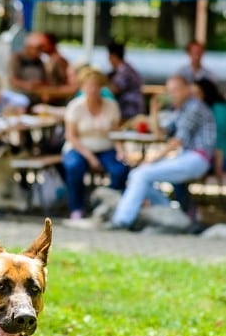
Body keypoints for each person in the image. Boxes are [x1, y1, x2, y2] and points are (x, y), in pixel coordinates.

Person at [110, 73, 216, 230]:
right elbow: (160, 133)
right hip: (186, 156)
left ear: (187, 89)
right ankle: (173, 215)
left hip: (197, 158)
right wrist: (154, 110)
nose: (171, 94)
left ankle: (121, 221)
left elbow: (176, 141)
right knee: (137, 175)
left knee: (141, 174)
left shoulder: (194, 107)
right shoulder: (180, 109)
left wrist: (152, 159)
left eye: (175, 90)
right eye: (169, 90)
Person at [62, 67, 129, 220]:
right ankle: (76, 208)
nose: (92, 89)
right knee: (74, 167)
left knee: (120, 169)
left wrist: (120, 150)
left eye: (96, 85)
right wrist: (90, 157)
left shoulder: (111, 105)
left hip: (105, 147)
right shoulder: (75, 106)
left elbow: (115, 133)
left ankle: (107, 205)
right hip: (79, 147)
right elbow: (70, 136)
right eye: (89, 85)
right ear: (82, 87)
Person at [106, 41, 144, 123]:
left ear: (113, 56)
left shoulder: (125, 71)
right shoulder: (125, 69)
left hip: (130, 111)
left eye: (109, 57)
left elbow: (113, 90)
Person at [8, 32, 48, 104]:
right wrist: (28, 85)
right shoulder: (17, 58)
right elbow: (13, 80)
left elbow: (44, 80)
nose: (40, 52)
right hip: (20, 99)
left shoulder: (39, 61)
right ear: (28, 47)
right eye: (37, 49)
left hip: (36, 99)